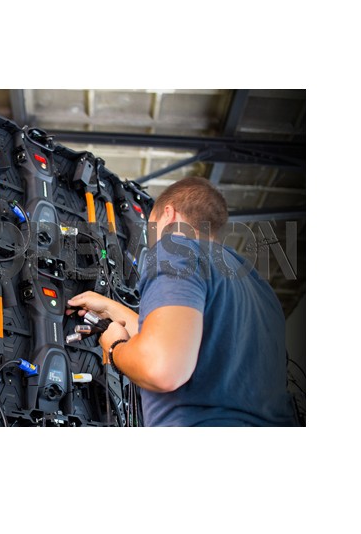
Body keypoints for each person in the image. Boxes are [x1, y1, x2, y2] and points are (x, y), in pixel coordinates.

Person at [67, 176, 298, 426]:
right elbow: (181, 338)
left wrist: (115, 347)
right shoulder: (257, 286)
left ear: (168, 214)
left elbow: (161, 369)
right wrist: (112, 308)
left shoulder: (176, 249)